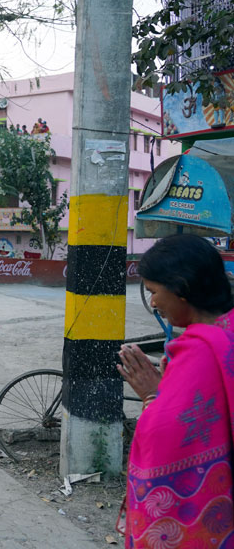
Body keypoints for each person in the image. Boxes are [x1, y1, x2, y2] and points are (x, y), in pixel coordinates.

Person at [117, 234, 234, 547]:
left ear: (181, 288)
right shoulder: (228, 331)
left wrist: (151, 396)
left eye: (154, 292)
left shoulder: (199, 352)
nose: (153, 302)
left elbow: (166, 438)